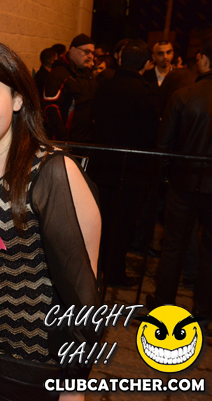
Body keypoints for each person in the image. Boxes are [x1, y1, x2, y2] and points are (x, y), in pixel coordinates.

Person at [0, 38, 101, 401]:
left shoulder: (52, 172)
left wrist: (75, 387)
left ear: (17, 99)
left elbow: (84, 297)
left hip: (33, 364)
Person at [147, 36, 212, 325]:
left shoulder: (184, 95)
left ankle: (164, 300)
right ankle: (204, 308)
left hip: (184, 183)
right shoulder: (184, 95)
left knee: (174, 244)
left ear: (204, 60)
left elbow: (164, 145)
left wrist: (164, 177)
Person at [90, 39, 159, 288]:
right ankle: (114, 272)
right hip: (131, 172)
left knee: (102, 220)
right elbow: (150, 134)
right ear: (146, 64)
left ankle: (96, 268)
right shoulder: (146, 93)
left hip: (102, 167)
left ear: (120, 59)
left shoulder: (103, 86)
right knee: (123, 224)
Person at [43, 34, 97, 142]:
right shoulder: (59, 74)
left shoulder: (88, 75)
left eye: (92, 53)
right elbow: (51, 109)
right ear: (72, 50)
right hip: (67, 142)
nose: (90, 56)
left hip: (86, 139)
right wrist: (64, 140)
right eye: (86, 51)